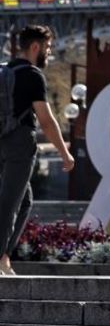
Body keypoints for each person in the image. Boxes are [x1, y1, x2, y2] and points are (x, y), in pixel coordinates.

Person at [0, 25, 75, 276]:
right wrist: (65, 153)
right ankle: (0, 259)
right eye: (47, 48)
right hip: (19, 142)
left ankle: (5, 257)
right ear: (35, 47)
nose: (49, 53)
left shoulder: (4, 72)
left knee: (24, 200)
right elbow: (45, 120)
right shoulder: (32, 75)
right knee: (9, 202)